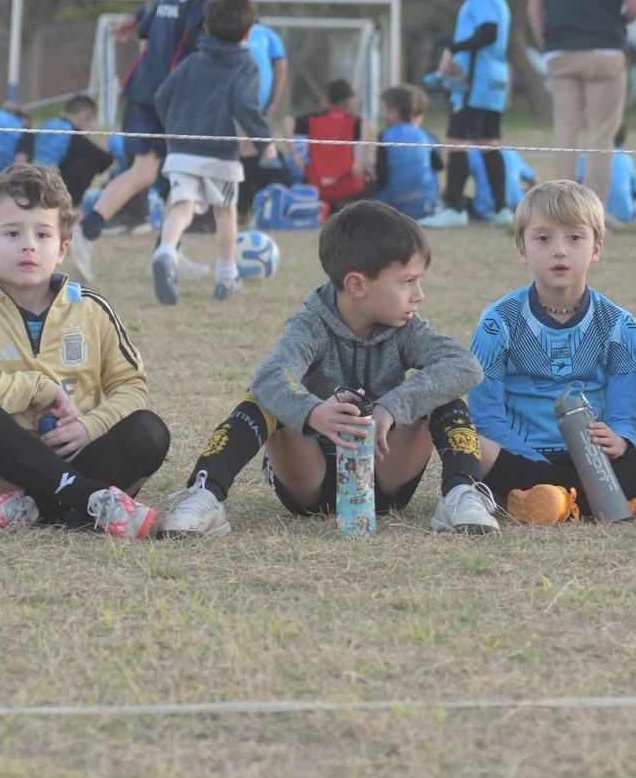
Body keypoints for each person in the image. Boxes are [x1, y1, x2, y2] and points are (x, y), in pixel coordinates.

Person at [155, 201, 502, 536]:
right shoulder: (311, 325)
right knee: (263, 394)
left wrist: (391, 407)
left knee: (444, 389)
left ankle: (462, 492)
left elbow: (465, 366)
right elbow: (268, 377)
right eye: (407, 281)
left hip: (385, 479)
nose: (419, 294)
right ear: (357, 285)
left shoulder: (407, 328)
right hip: (310, 484)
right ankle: (204, 494)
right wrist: (312, 412)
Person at [0, 164, 167, 538]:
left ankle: (34, 512)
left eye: (42, 234)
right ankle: (90, 503)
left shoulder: (92, 308)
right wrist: (40, 388)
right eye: (12, 233)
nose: (28, 244)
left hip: (83, 452)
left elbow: (132, 386)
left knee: (150, 431)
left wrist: (88, 427)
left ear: (62, 249)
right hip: (11, 465)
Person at [466, 180, 636, 524]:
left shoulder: (620, 324)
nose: (559, 250)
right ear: (522, 248)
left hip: (598, 459)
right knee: (472, 443)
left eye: (575, 238)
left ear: (596, 248)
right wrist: (535, 465)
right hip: (521, 459)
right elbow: (487, 419)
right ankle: (612, 497)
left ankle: (558, 500)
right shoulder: (497, 323)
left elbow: (623, 416)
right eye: (543, 238)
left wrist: (619, 441)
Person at [75, 0, 245, 282]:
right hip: (170, 96)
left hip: (144, 88)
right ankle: (88, 236)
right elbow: (205, 40)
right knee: (163, 174)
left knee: (155, 173)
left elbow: (151, 23)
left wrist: (134, 19)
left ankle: (167, 254)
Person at [151, 0, 274, 304]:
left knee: (181, 207)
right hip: (220, 153)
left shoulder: (192, 61)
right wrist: (264, 143)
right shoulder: (246, 64)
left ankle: (165, 252)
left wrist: (173, 129)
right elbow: (246, 106)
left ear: (206, 26)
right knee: (225, 212)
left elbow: (162, 96)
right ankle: (226, 276)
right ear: (249, 32)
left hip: (181, 150)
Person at [528, 0, 636, 205]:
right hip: (603, 51)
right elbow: (634, 6)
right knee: (601, 133)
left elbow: (534, 6)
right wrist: (617, 23)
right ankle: (593, 208)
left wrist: (546, 40)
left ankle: (560, 206)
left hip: (561, 52)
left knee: (565, 131)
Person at [422, 0, 512, 228]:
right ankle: (502, 210)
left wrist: (452, 48)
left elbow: (488, 33)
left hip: (475, 82)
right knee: (488, 144)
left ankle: (454, 207)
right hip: (494, 82)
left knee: (457, 142)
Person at [237, 20, 291, 221]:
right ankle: (242, 208)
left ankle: (244, 208)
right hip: (245, 103)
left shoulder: (267, 34)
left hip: (250, 104)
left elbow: (281, 65)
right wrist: (274, 102)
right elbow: (281, 67)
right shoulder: (267, 34)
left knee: (250, 151)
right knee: (248, 150)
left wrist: (274, 103)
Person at [293, 79, 368, 209]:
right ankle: (342, 205)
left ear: (325, 100)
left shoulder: (313, 119)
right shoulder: (352, 122)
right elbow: (367, 126)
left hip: (317, 187)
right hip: (347, 188)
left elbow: (287, 121)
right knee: (370, 167)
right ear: (350, 103)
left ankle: (322, 206)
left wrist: (294, 155)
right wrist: (359, 161)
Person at [31, 94, 115, 209]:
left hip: (32, 178)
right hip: (51, 185)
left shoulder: (46, 125)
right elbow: (105, 159)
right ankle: (71, 207)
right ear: (84, 116)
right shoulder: (71, 132)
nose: (89, 125)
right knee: (90, 162)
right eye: (89, 119)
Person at [375, 85, 443, 220]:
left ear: (393, 112)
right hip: (425, 204)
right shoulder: (426, 135)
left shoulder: (385, 135)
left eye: (382, 109)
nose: (380, 113)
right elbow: (439, 165)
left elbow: (382, 173)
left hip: (394, 205)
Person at [575, 125, 636, 225]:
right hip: (624, 214)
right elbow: (634, 192)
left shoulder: (587, 156)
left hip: (591, 212)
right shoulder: (627, 158)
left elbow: (577, 183)